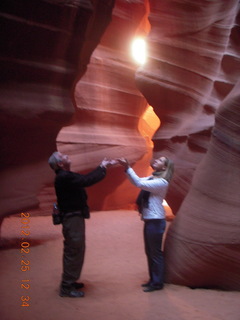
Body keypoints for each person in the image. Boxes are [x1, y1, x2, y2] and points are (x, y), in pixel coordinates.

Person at [48, 151, 115, 298]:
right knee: (73, 250)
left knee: (76, 249)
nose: (67, 155)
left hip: (74, 218)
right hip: (72, 218)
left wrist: (101, 167)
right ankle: (66, 287)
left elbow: (84, 179)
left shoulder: (66, 176)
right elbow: (87, 180)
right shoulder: (64, 177)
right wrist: (102, 167)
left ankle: (71, 281)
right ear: (59, 163)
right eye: (63, 156)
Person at [118, 156, 174, 292]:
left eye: (160, 160)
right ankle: (153, 280)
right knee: (149, 252)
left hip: (156, 220)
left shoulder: (162, 182)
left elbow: (139, 183)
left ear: (165, 167)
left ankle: (157, 283)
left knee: (155, 253)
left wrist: (128, 167)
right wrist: (127, 168)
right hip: (150, 220)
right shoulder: (152, 178)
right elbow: (136, 181)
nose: (156, 160)